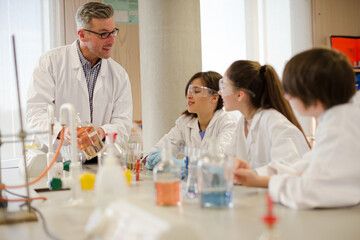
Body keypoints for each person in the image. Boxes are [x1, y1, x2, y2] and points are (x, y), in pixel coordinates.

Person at [233, 48, 360, 209]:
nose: (287, 97)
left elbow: (307, 193)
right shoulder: (341, 117)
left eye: (291, 91)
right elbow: (308, 165)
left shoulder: (341, 126)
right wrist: (256, 177)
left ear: (312, 94)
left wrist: (269, 183)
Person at [26, 2, 133, 152]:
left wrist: (101, 132)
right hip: (57, 160)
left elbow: (123, 124)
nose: (112, 40)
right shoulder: (50, 62)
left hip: (99, 160)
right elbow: (35, 114)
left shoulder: (119, 74)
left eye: (113, 32)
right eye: (103, 34)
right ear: (82, 34)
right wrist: (62, 132)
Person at [219, 60, 310, 175]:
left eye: (224, 86)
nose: (219, 92)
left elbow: (289, 169)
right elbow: (228, 159)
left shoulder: (274, 121)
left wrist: (253, 175)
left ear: (239, 95)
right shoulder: (243, 122)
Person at [146, 71, 238, 169]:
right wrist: (154, 157)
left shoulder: (227, 121)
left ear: (214, 98)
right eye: (189, 91)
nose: (189, 96)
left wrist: (184, 163)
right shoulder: (185, 122)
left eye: (196, 91)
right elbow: (158, 150)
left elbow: (218, 159)